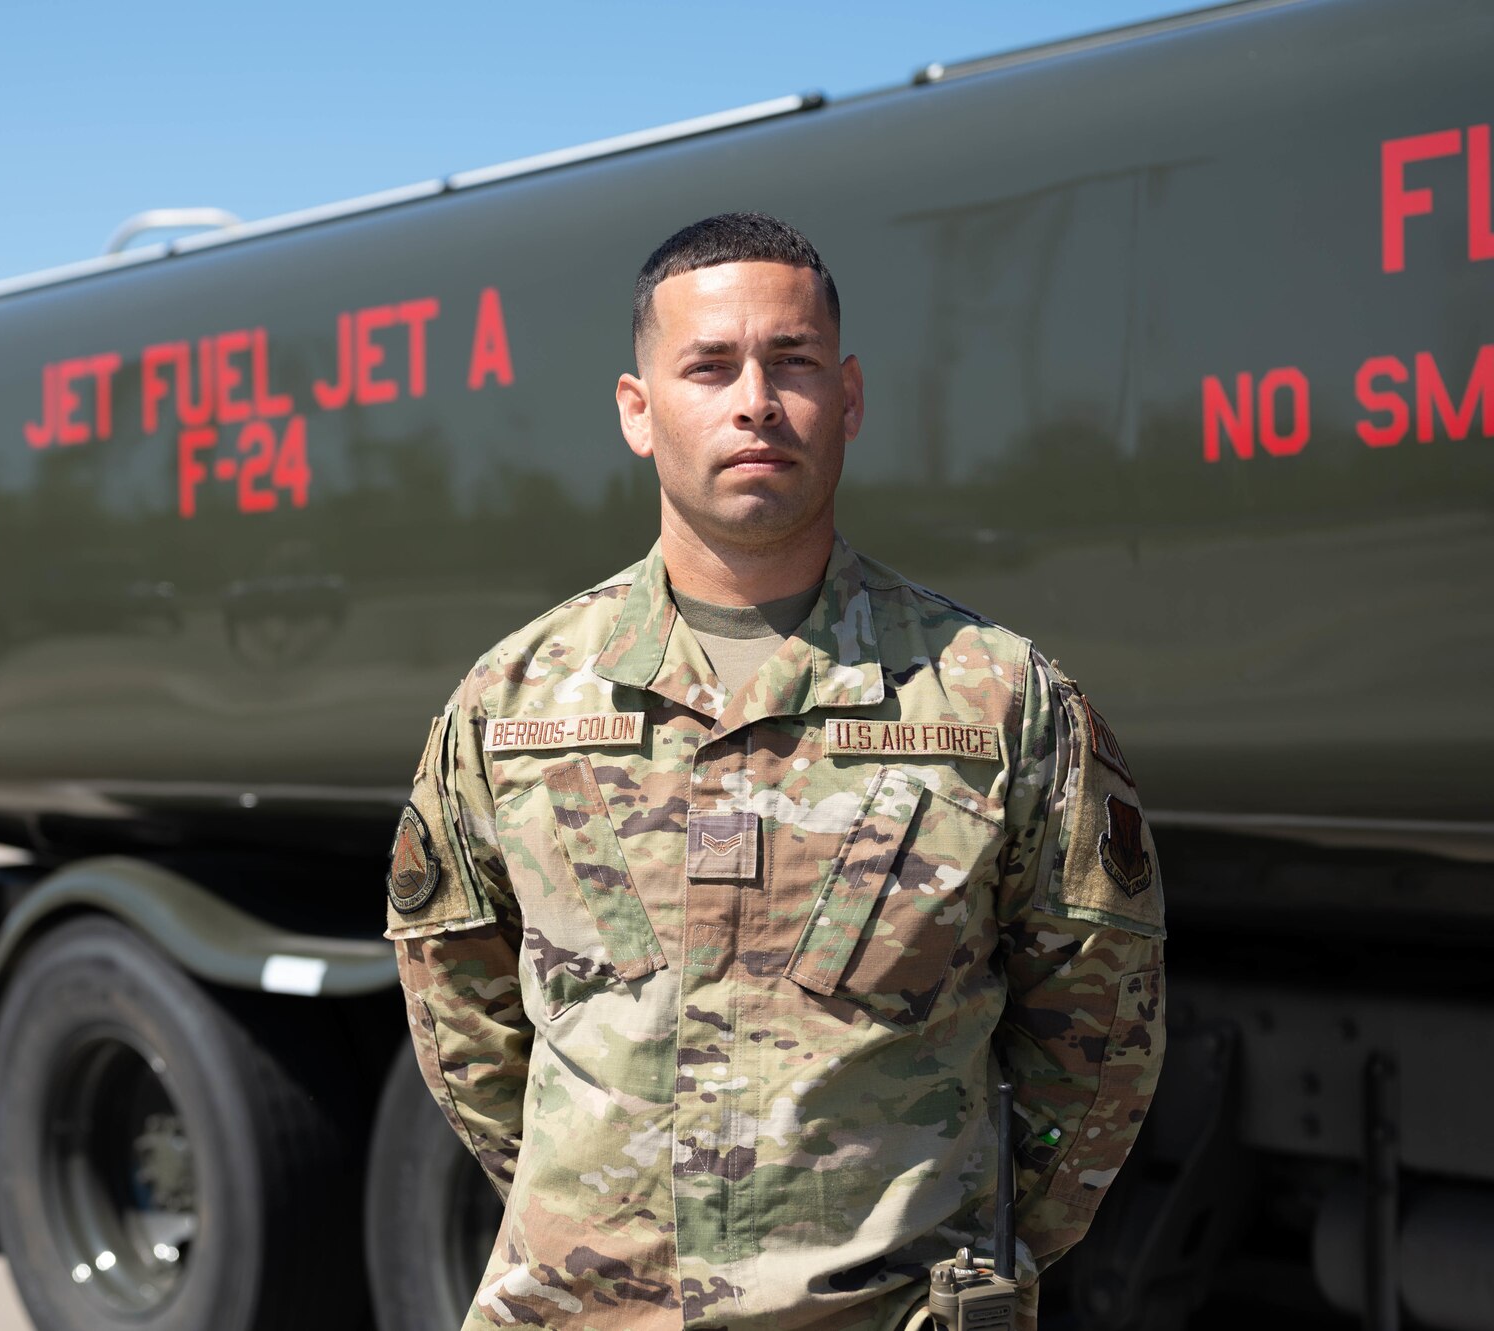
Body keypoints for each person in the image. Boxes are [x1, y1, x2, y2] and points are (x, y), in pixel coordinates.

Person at [385, 212, 1165, 1331]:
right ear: (637, 411)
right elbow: (460, 1016)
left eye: (789, 361)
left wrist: (964, 1257)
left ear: (846, 398)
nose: (753, 397)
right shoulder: (512, 704)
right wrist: (610, 1232)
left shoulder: (998, 701)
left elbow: (1098, 1042)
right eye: (708, 366)